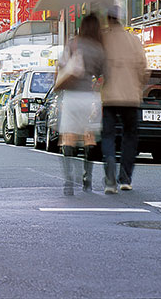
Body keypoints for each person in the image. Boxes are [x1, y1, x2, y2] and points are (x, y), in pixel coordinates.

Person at [55, 13, 106, 195]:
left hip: (71, 97)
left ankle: (69, 181)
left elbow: (61, 66)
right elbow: (103, 74)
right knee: (88, 137)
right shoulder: (99, 48)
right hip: (89, 98)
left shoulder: (73, 43)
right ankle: (87, 177)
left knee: (68, 137)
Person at [101, 5, 148, 193]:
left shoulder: (103, 40)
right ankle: (125, 179)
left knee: (108, 136)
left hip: (110, 97)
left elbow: (97, 67)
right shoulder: (133, 40)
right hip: (131, 97)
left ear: (107, 19)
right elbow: (143, 70)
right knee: (130, 136)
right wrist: (138, 87)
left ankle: (110, 180)